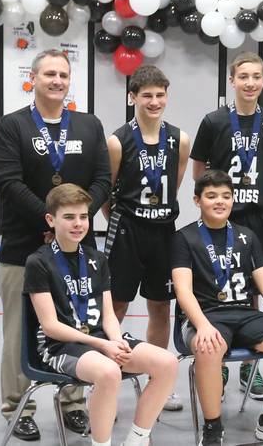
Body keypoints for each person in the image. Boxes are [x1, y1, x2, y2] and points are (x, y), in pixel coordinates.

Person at [0, 48, 110, 440]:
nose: (57, 80)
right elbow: (8, 183)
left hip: (76, 252)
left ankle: (73, 402)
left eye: (63, 74)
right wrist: (51, 219)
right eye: (49, 74)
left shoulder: (89, 126)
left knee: (75, 325)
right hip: (23, 248)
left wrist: (70, 225)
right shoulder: (11, 127)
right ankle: (16, 407)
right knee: (19, 332)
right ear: (34, 79)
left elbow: (102, 180)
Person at [25, 184, 178, 446]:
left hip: (100, 338)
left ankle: (136, 439)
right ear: (51, 220)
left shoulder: (97, 259)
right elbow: (50, 326)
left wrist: (116, 340)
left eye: (83, 217)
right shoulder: (38, 262)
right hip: (60, 346)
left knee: (167, 363)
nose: (78, 224)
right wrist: (103, 345)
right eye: (69, 217)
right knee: (109, 372)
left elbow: (108, 315)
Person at [172, 170, 263, 446]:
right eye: (211, 196)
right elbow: (183, 290)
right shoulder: (184, 238)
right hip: (205, 317)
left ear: (233, 199)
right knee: (209, 346)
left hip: (244, 315)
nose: (219, 201)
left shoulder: (247, 236)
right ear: (197, 200)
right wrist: (203, 325)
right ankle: (212, 428)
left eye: (226, 196)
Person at [192, 51, 263, 400]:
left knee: (253, 287)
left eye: (257, 76)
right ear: (232, 81)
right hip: (221, 214)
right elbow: (199, 168)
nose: (250, 83)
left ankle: (251, 367)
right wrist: (216, 203)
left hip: (256, 216)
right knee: (212, 280)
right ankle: (214, 360)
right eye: (243, 76)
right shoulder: (214, 121)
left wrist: (253, 193)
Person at [104, 64, 189, 411]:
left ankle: (158, 378)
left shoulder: (179, 139)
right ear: (133, 97)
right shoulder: (117, 140)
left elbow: (176, 182)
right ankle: (106, 372)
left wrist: (155, 214)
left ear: (167, 96)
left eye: (160, 95)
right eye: (147, 96)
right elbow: (108, 191)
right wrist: (125, 221)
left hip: (163, 232)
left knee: (160, 306)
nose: (154, 102)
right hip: (126, 231)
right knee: (117, 305)